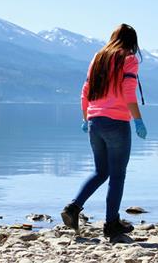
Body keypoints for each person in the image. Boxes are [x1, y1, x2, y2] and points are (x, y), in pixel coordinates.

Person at [61, 23, 147, 239]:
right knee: (117, 175)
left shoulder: (98, 58)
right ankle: (111, 225)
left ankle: (73, 208)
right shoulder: (128, 59)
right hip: (116, 123)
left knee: (101, 171)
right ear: (132, 43)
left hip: (94, 122)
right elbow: (129, 93)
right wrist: (138, 120)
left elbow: (85, 92)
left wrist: (85, 118)